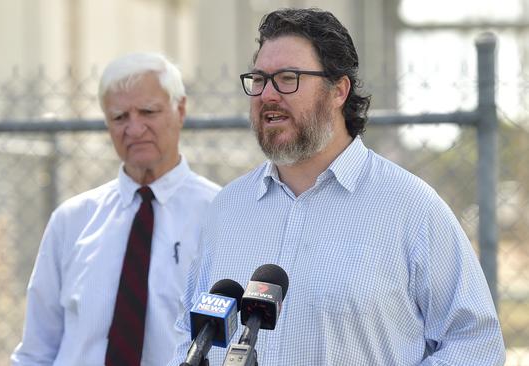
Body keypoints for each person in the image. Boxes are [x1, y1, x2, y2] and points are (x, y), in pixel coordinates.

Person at [169, 7, 505, 365]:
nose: (267, 94)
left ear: (338, 90)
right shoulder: (227, 208)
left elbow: (476, 344)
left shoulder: (410, 208)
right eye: (259, 79)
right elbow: (186, 335)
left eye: (287, 78)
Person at [11, 52, 220, 366]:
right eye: (120, 117)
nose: (134, 129)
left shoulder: (221, 216)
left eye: (148, 111)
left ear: (181, 110)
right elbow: (36, 350)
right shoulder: (72, 221)